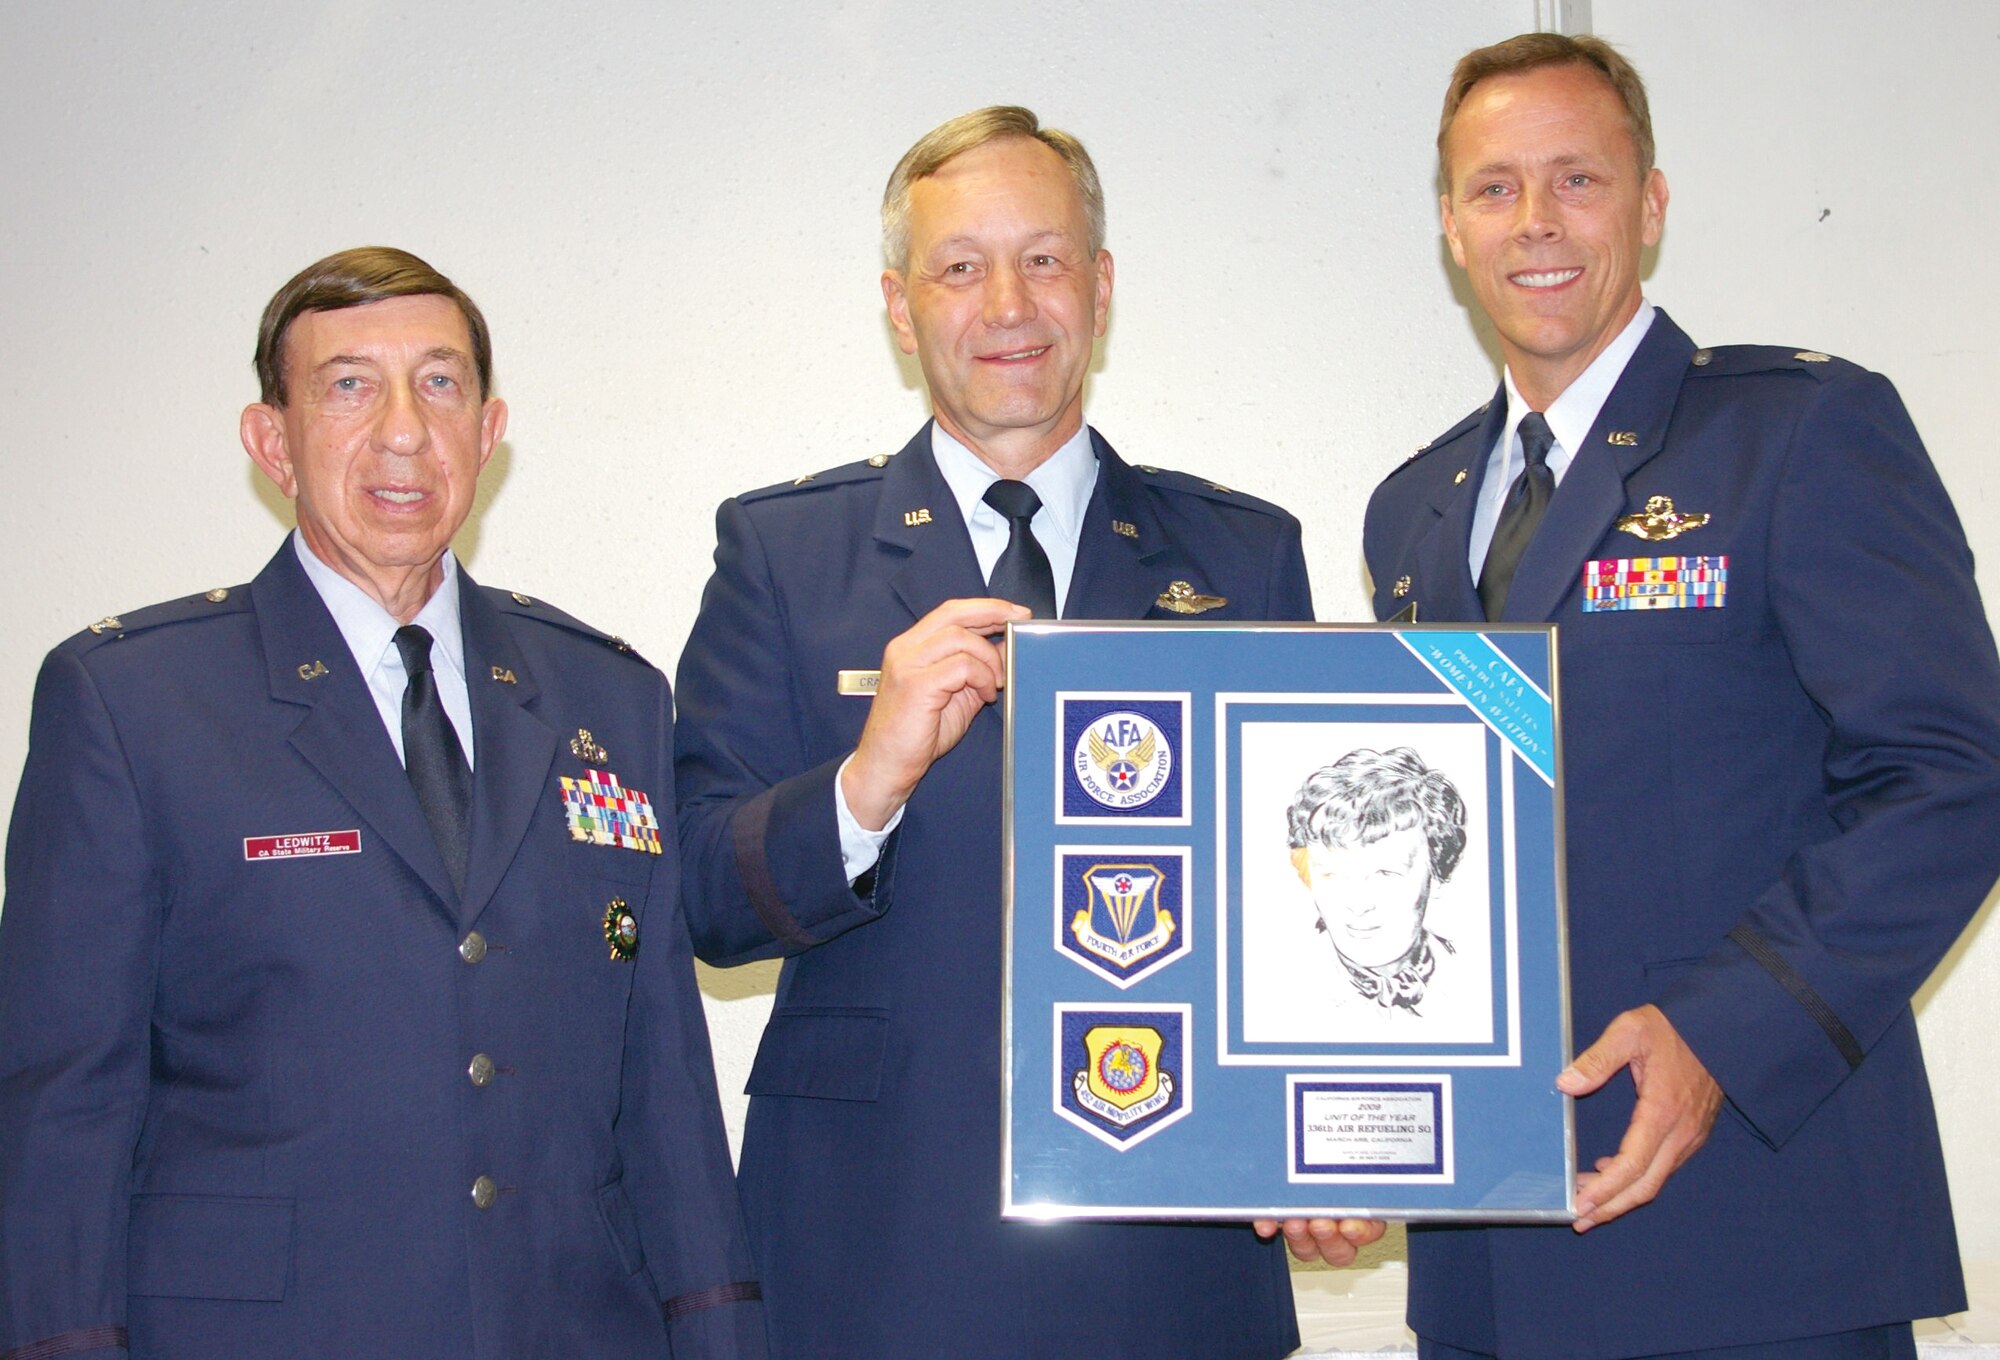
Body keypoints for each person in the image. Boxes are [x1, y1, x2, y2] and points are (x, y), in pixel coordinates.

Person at [1280, 31, 2000, 1360]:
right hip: (1490, 1261)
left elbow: (1953, 779)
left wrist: (1725, 1033)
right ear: (1450, 226)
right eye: (1494, 188)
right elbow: (1436, 849)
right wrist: (1346, 1125)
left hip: (1754, 1236)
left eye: (1578, 179)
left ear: (1650, 204)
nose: (1535, 222)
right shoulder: (1413, 511)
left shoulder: (1797, 432)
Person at [0, 248, 766, 1360]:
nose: (404, 430)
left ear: (488, 432)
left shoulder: (606, 697)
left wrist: (720, 1336)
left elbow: (666, 1096)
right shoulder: (133, 702)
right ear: (272, 440)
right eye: (350, 385)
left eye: (439, 384)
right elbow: (62, 1108)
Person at [674, 107, 1312, 1357]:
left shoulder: (1242, 555)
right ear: (899, 307)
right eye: (959, 267)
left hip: (1169, 1256)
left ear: (1100, 288)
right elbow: (700, 893)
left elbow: (1299, 903)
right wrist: (865, 782)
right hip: (876, 1243)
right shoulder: (784, 553)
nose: (1008, 304)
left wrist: (1322, 1132)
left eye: (1044, 259)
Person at [1285, 747, 1468, 1015]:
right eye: (1333, 874)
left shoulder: (1471, 974)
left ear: (1438, 873)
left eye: (1385, 874)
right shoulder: (1286, 989)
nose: (1358, 904)